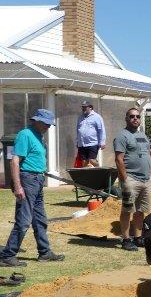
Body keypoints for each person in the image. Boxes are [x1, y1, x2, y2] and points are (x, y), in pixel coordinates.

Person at [0, 109, 64, 267]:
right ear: (37, 120)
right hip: (28, 180)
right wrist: (18, 186)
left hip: (37, 180)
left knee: (40, 220)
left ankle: (45, 252)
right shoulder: (25, 134)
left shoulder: (39, 135)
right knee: (23, 220)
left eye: (50, 124)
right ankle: (8, 255)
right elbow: (14, 161)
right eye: (46, 124)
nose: (48, 127)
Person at [113, 107, 151, 251]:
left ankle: (138, 237)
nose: (135, 119)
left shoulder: (143, 135)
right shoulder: (122, 136)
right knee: (127, 209)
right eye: (132, 116)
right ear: (126, 118)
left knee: (140, 210)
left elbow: (147, 154)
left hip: (145, 179)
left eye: (137, 116)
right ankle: (125, 239)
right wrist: (125, 180)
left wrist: (149, 174)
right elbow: (119, 159)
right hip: (131, 179)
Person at [75, 100, 106, 167]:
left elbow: (101, 130)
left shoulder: (97, 117)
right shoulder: (80, 117)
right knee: (84, 161)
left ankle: (100, 170)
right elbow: (78, 130)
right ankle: (87, 176)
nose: (83, 109)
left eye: (85, 107)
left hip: (93, 143)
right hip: (82, 144)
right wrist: (77, 141)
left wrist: (102, 142)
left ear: (90, 107)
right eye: (82, 107)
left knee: (92, 160)